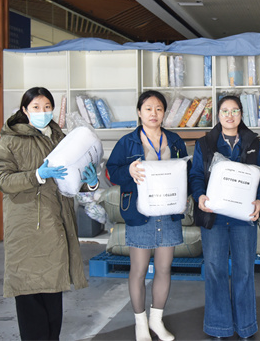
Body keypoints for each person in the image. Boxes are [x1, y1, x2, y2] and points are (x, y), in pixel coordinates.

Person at [0, 86, 97, 340]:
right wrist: (37, 175)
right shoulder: (8, 142)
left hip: (56, 225)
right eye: (36, 107)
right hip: (27, 229)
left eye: (47, 107)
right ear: (24, 110)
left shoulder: (60, 138)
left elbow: (71, 178)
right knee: (29, 296)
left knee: (52, 296)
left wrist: (90, 183)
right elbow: (2, 180)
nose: (43, 112)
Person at [106, 90, 188, 341]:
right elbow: (111, 172)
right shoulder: (127, 142)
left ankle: (156, 321)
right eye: (148, 109)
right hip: (140, 212)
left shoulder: (174, 140)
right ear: (139, 112)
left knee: (164, 268)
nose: (154, 113)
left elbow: (186, 170)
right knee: (139, 270)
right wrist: (128, 172)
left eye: (159, 109)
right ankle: (140, 323)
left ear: (164, 113)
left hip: (168, 212)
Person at [189, 95, 260, 339]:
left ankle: (246, 326)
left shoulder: (254, 143)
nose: (230, 115)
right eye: (225, 110)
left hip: (243, 218)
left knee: (244, 270)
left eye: (235, 111)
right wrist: (200, 196)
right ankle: (218, 326)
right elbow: (196, 175)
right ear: (218, 115)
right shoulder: (205, 144)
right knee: (215, 270)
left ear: (241, 114)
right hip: (213, 217)